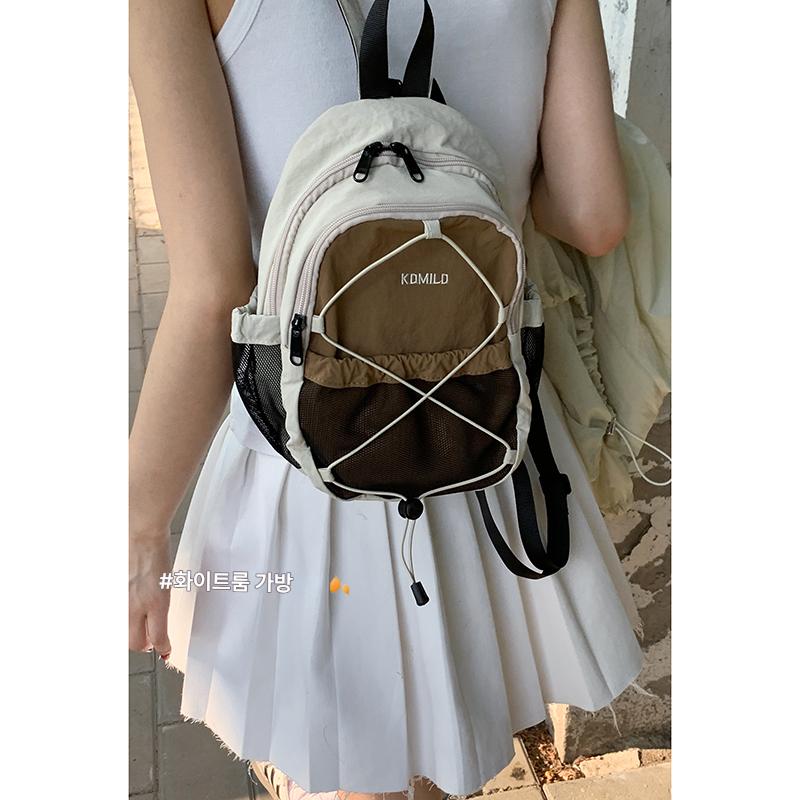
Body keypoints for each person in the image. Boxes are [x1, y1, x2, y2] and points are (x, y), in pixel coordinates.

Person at [129, 1, 642, 797]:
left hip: (314, 447)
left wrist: (139, 525)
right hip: (482, 432)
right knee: (436, 737)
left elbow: (214, 289)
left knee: (356, 766)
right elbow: (594, 215)